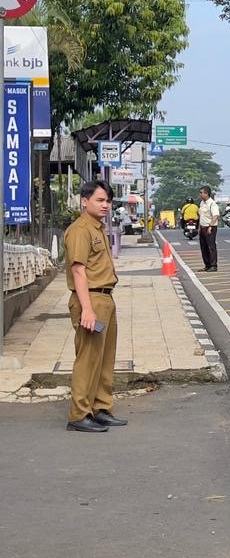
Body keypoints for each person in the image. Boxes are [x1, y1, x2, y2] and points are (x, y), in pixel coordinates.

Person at [63, 180, 125, 433]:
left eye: (108, 201)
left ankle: (100, 408)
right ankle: (79, 414)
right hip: (91, 299)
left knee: (105, 358)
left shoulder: (97, 227)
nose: (105, 205)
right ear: (84, 201)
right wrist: (87, 309)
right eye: (100, 200)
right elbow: (78, 271)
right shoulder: (80, 230)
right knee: (88, 358)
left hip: (105, 298)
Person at [198, 186, 221, 272]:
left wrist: (210, 226)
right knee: (203, 247)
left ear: (206, 193)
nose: (200, 194)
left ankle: (213, 265)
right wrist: (199, 227)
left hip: (210, 227)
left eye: (201, 193)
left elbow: (215, 216)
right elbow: (201, 216)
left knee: (211, 246)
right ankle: (207, 265)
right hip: (203, 227)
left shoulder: (212, 203)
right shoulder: (202, 203)